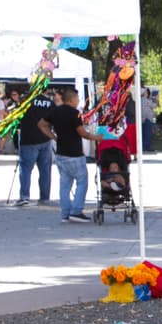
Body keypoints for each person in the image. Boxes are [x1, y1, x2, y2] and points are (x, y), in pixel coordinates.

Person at [43, 87, 102, 223]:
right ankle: (76, 210)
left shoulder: (55, 111)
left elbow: (42, 124)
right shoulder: (75, 113)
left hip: (61, 152)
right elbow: (81, 132)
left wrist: (53, 136)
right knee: (82, 181)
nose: (78, 101)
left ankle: (65, 213)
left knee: (65, 184)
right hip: (74, 153)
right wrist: (96, 137)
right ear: (71, 99)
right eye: (77, 98)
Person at [14, 87, 55, 207]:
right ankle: (44, 197)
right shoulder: (50, 103)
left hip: (28, 139)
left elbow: (17, 118)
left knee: (25, 169)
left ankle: (24, 196)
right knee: (45, 170)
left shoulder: (26, 102)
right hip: (45, 139)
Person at [140, 88, 157, 154]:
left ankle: (143, 147)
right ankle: (146, 147)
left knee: (143, 133)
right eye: (146, 92)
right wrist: (156, 99)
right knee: (148, 133)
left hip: (142, 119)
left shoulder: (139, 101)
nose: (147, 93)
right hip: (148, 119)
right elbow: (154, 106)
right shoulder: (146, 100)